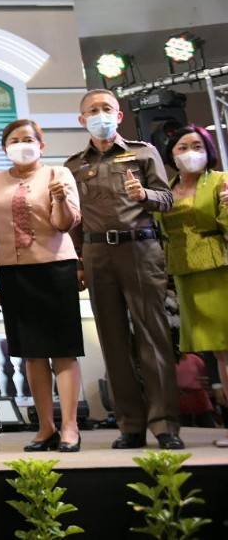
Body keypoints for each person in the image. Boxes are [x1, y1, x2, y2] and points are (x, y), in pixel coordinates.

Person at [66, 89, 181, 449]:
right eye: (92, 110)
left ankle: (164, 424)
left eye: (107, 109)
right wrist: (79, 262)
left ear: (118, 116)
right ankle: (130, 424)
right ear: (82, 119)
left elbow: (167, 198)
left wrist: (144, 195)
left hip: (140, 249)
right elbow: (74, 222)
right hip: (97, 254)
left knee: (153, 336)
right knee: (112, 340)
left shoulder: (143, 152)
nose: (100, 115)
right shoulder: (73, 165)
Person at [0, 119, 84, 452]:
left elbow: (64, 224)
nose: (22, 145)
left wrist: (60, 200)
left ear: (41, 145)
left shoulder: (58, 175)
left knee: (63, 350)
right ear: (4, 148)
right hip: (14, 273)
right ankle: (45, 427)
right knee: (32, 354)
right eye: (14, 140)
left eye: (28, 139)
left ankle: (69, 426)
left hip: (56, 268)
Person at [154, 124, 228, 447]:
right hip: (185, 274)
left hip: (219, 269)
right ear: (171, 154)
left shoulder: (221, 181)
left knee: (226, 350)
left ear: (208, 150)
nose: (189, 153)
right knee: (218, 353)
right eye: (182, 147)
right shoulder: (166, 189)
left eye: (197, 146)